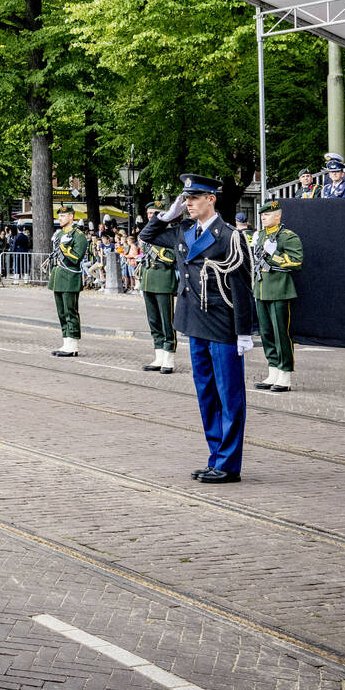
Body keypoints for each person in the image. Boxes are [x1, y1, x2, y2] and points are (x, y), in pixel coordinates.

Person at [139, 176, 256, 485]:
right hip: (193, 322)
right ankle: (216, 456)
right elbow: (147, 235)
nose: (188, 203)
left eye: (194, 198)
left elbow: (243, 287)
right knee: (206, 394)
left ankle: (229, 464)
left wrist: (245, 331)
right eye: (185, 198)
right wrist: (166, 215)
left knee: (229, 396)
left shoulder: (230, 236)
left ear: (211, 199)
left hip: (221, 323)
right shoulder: (183, 231)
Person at [251, 200, 305, 393]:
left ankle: (285, 374)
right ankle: (273, 370)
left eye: (267, 214)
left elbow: (296, 262)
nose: (263, 217)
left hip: (280, 289)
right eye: (262, 215)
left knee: (281, 333)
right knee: (266, 333)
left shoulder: (286, 236)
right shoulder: (260, 235)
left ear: (278, 216)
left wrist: (273, 256)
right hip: (261, 289)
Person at [138, 202, 177, 371]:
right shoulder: (146, 235)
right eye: (148, 213)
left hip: (163, 281)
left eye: (155, 213)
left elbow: (173, 257)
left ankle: (169, 357)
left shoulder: (170, 234)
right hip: (148, 280)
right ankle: (158, 355)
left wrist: (156, 251)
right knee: (153, 321)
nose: (150, 216)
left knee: (167, 321)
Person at [49, 209, 90, 357]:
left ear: (71, 216)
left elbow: (76, 258)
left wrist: (65, 248)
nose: (60, 218)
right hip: (58, 276)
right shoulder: (59, 234)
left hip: (70, 277)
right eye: (59, 216)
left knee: (70, 311)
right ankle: (66, 341)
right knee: (61, 312)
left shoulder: (78, 236)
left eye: (63, 215)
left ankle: (73, 343)